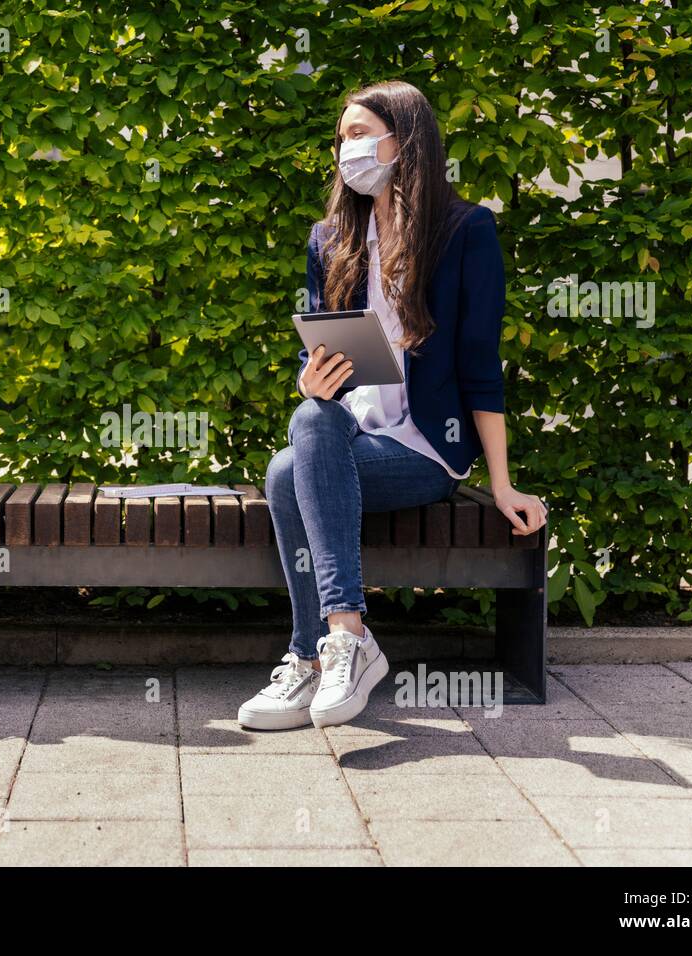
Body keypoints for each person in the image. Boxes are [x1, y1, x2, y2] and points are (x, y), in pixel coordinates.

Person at [238, 80, 547, 731]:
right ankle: (338, 641)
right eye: (340, 138)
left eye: (358, 134)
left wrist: (501, 483)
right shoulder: (330, 240)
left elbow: (480, 367)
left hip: (425, 448)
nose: (345, 149)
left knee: (284, 471)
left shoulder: (465, 232)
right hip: (352, 436)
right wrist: (310, 379)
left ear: (403, 140)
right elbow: (314, 357)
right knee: (306, 426)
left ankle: (319, 652)